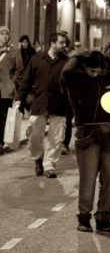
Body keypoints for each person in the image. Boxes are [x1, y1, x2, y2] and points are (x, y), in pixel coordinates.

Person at [62, 50, 110, 232]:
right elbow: (67, 71)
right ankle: (83, 218)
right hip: (86, 131)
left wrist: (107, 59)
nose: (95, 74)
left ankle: (103, 217)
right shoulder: (75, 79)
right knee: (88, 178)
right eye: (92, 70)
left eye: (98, 71)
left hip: (108, 130)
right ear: (84, 66)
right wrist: (80, 56)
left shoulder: (103, 78)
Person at [17, 32, 70, 178]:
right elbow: (26, 81)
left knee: (57, 137)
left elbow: (73, 83)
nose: (64, 45)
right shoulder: (37, 59)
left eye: (64, 43)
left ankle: (49, 165)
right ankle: (38, 158)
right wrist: (18, 100)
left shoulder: (66, 62)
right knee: (34, 135)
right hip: (40, 103)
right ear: (52, 43)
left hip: (59, 104)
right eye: (61, 42)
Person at [0, 26, 23, 153]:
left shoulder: (14, 51)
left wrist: (13, 81)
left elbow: (20, 68)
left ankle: (2, 142)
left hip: (6, 88)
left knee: (4, 115)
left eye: (6, 34)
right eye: (2, 33)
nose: (4, 36)